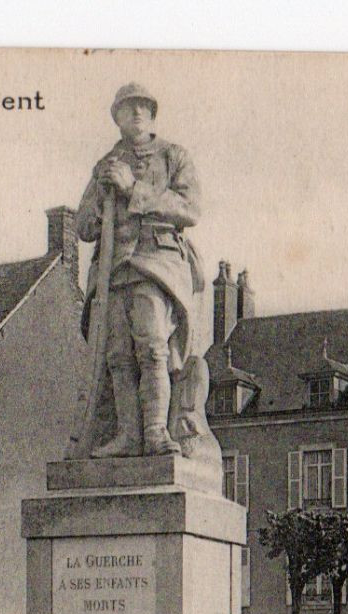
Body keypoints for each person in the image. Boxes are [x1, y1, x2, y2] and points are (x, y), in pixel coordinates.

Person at [76, 83, 206, 458]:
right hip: (112, 269)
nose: (136, 113)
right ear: (116, 117)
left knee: (152, 349)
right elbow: (84, 227)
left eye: (143, 107)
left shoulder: (173, 156)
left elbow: (190, 208)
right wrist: (103, 198)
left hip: (155, 263)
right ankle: (128, 435)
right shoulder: (105, 166)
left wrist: (133, 188)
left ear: (152, 114)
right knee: (117, 355)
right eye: (128, 107)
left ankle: (156, 432)